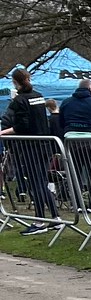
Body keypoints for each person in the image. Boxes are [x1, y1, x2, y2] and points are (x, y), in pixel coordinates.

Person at [0, 68, 63, 234]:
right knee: (42, 183)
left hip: (30, 147)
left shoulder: (19, 100)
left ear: (15, 82)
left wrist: (3, 132)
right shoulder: (38, 96)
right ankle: (55, 218)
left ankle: (40, 220)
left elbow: (21, 126)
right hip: (44, 145)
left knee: (36, 184)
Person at [59, 79, 91, 214]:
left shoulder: (66, 102)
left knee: (75, 173)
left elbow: (62, 122)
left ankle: (77, 204)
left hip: (70, 140)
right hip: (90, 139)